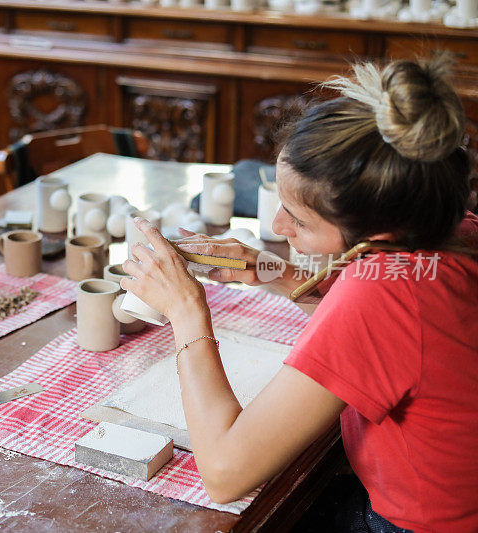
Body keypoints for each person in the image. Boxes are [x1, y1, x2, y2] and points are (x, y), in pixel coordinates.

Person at [122, 54, 478, 532]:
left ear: (370, 230)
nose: (276, 225)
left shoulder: (379, 299)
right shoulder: (451, 230)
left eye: (300, 219)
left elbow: (226, 472)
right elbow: (391, 324)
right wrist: (275, 272)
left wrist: (186, 310)